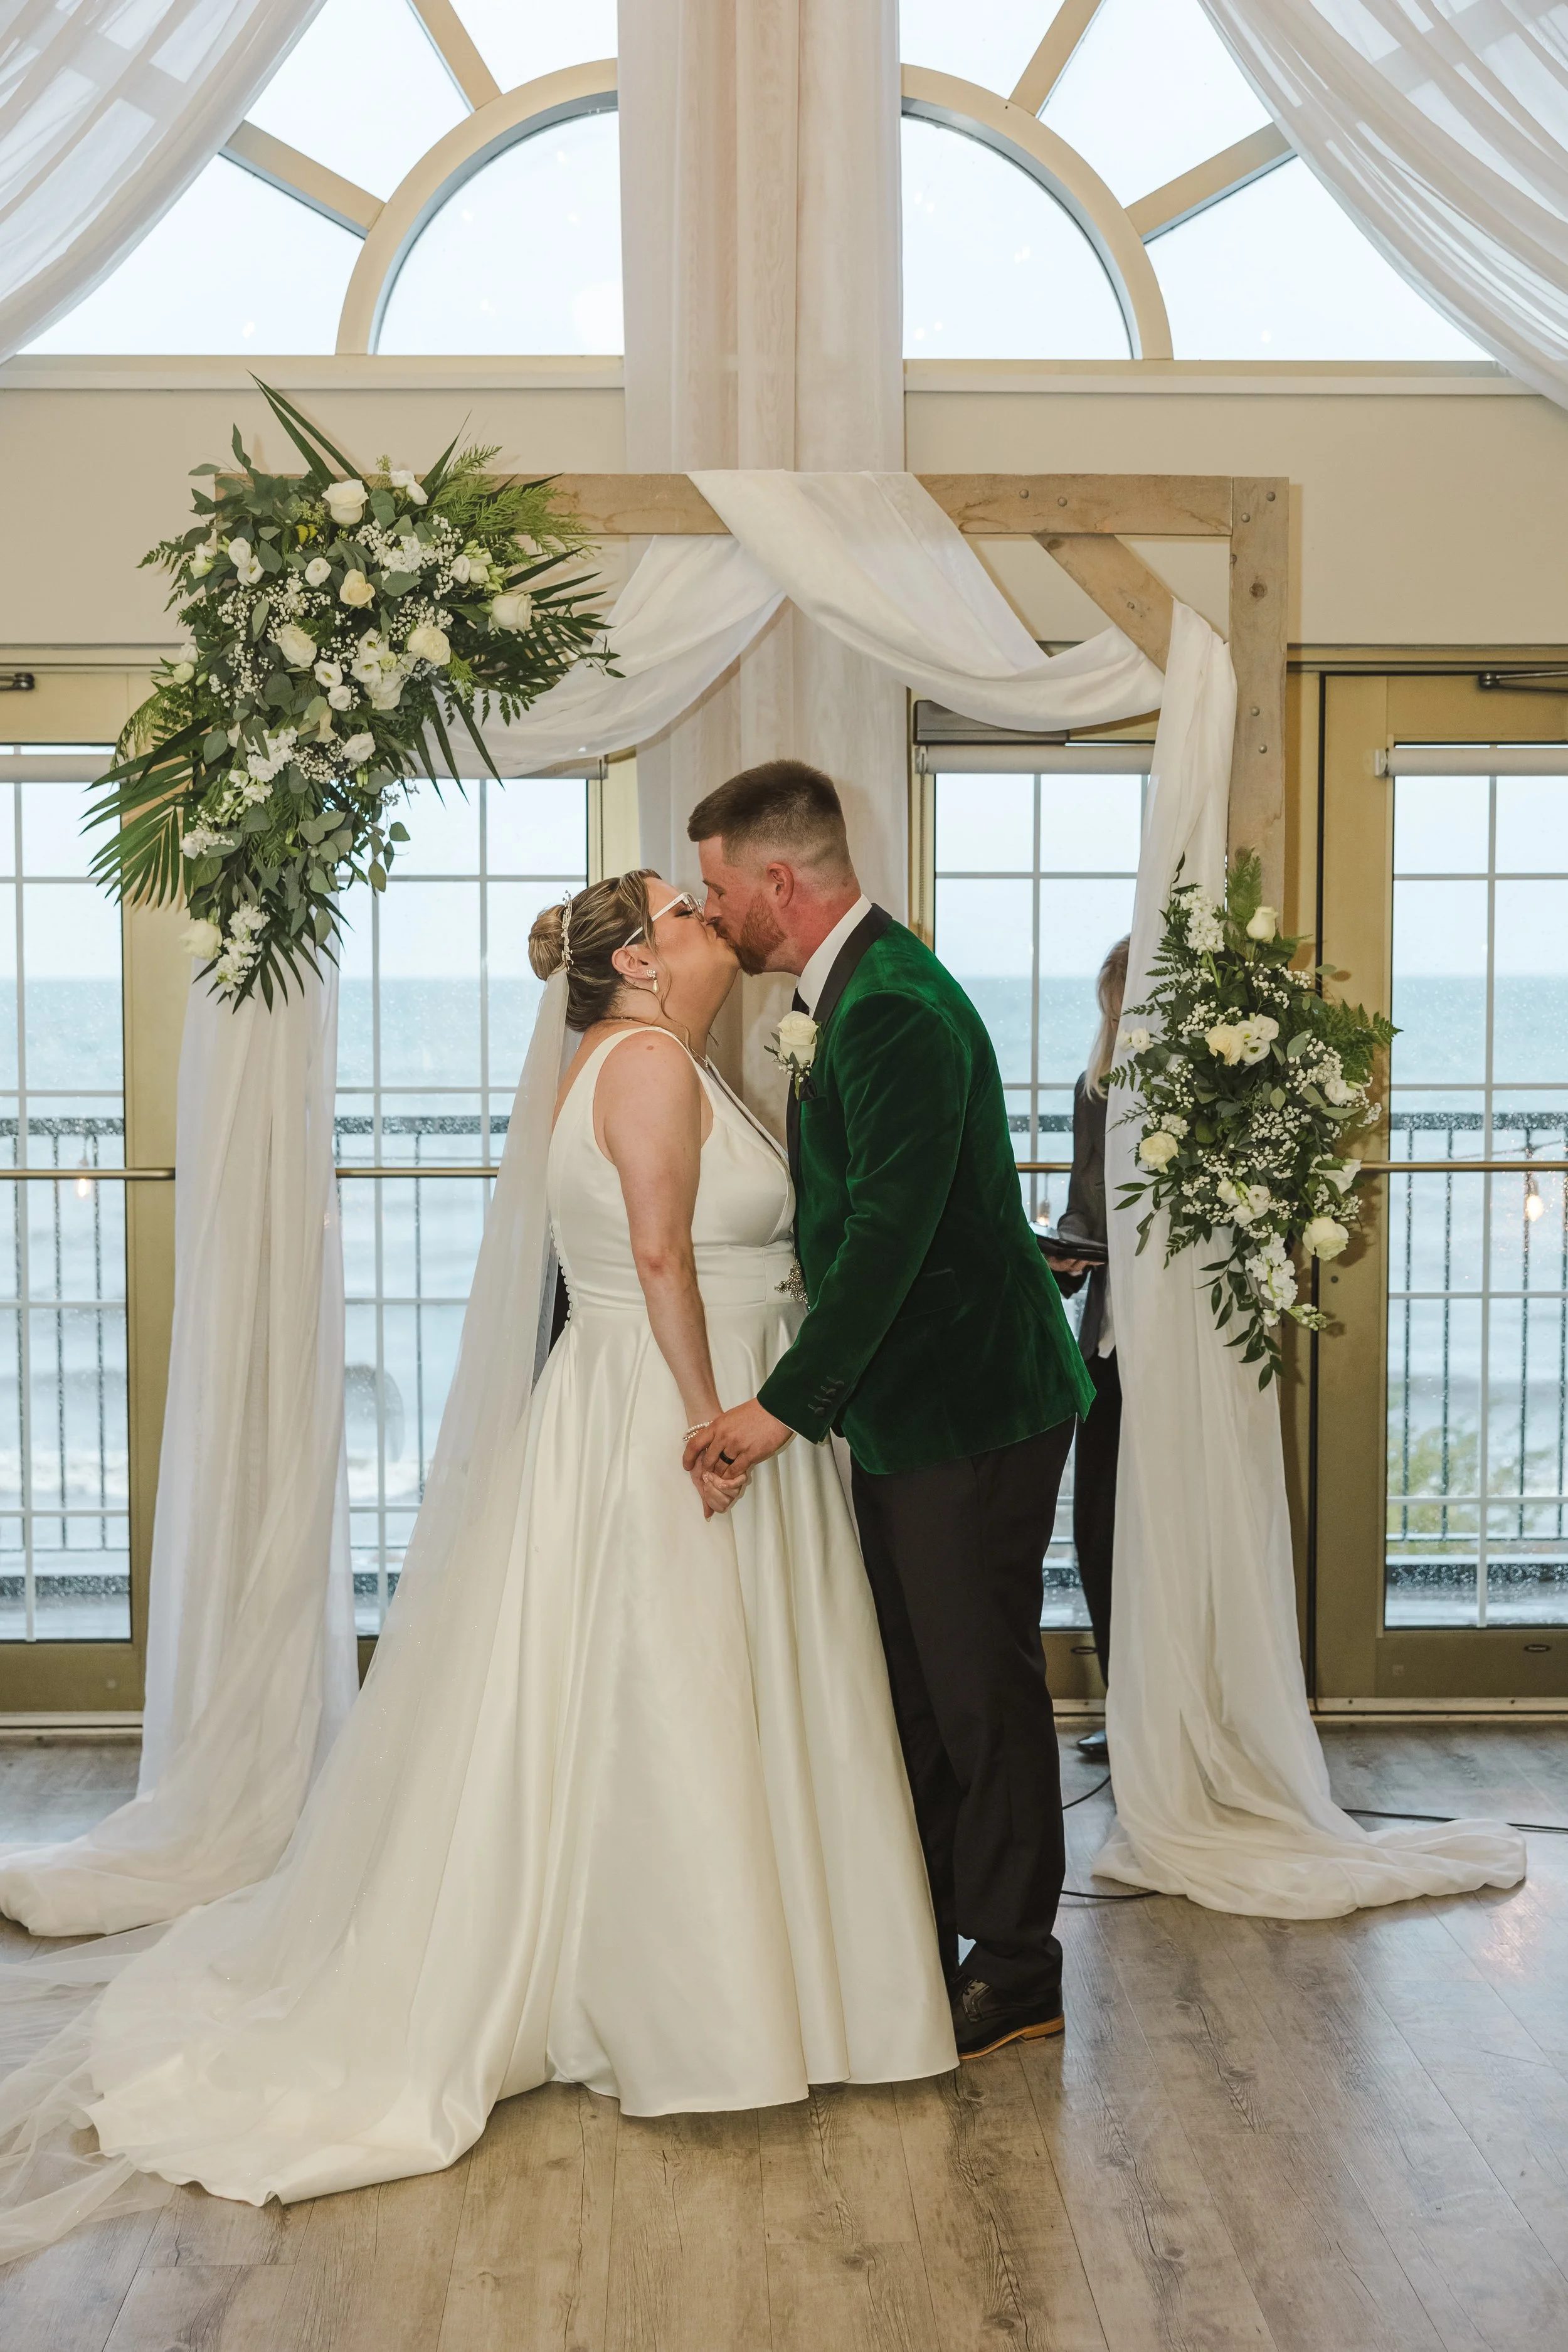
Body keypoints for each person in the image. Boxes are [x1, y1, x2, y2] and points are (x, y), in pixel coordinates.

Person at [0, 870, 955, 2260]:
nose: (705, 927)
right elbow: (654, 1257)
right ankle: (692, 1998)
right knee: (678, 1694)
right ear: (635, 959)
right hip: (668, 1408)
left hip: (683, 1397)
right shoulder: (642, 1068)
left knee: (696, 1694)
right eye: (683, 914)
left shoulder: (644, 1054)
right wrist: (712, 1424)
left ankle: (778, 1985)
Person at [686, 761, 1095, 2062]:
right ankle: (916, 1936)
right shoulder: (848, 992)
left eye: (715, 890)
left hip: (972, 1410)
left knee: (978, 1690)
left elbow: (888, 1239)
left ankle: (1018, 1963)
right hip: (913, 1408)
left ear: (777, 883)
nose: (713, 914)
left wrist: (776, 1409)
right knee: (915, 1685)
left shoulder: (892, 1008)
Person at [1041, 936, 1128, 1766]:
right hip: (1103, 1347)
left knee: (1163, 1531)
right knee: (1096, 1527)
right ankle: (1126, 1706)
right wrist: (1065, 1250)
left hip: (1172, 1356)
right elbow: (1081, 1210)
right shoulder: (1094, 1090)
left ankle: (1180, 1709)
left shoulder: (1199, 1099)